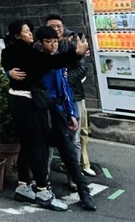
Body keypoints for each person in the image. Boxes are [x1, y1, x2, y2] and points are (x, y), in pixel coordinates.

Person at [1, 19, 89, 211]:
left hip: (16, 100)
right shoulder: (28, 52)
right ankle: (43, 192)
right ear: (17, 35)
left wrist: (8, 73)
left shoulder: (9, 51)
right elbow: (52, 62)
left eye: (30, 30)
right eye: (26, 31)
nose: (30, 34)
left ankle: (23, 187)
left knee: (27, 144)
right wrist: (76, 53)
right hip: (28, 102)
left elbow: (8, 64)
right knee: (38, 145)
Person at [35, 26, 96, 211]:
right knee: (43, 152)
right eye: (48, 41)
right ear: (40, 43)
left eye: (55, 41)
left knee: (68, 152)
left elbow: (65, 88)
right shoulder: (38, 60)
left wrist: (70, 113)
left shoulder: (60, 61)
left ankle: (84, 192)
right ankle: (43, 188)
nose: (53, 45)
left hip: (59, 111)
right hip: (42, 112)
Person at [45, 14, 96, 179]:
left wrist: (63, 79)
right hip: (50, 100)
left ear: (63, 28)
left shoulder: (72, 46)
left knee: (74, 138)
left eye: (58, 26)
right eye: (51, 26)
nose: (56, 29)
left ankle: (74, 177)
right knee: (48, 139)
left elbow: (81, 69)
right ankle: (44, 179)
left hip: (73, 97)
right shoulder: (40, 47)